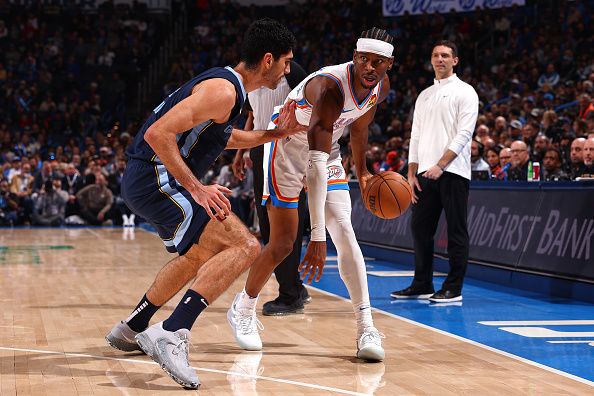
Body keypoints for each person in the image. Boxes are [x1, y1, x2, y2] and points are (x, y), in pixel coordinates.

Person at [104, 19, 302, 390]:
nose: (288, 70)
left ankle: (132, 328)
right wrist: (196, 188)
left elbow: (223, 139)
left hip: (147, 179)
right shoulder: (225, 91)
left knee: (197, 256)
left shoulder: (230, 91)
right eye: (287, 62)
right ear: (268, 59)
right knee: (244, 245)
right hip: (155, 177)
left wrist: (276, 134)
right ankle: (173, 330)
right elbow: (157, 133)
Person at [227, 27, 394, 362]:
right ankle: (243, 306)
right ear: (355, 57)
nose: (370, 67)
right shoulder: (329, 87)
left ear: (389, 65)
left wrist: (361, 171)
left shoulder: (380, 87)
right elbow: (313, 165)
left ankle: (366, 327)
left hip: (326, 152)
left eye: (379, 62)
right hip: (287, 147)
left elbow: (359, 128)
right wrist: (317, 236)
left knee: (346, 233)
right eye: (364, 59)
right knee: (283, 244)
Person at [391, 40, 478, 303]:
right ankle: (422, 283)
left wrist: (442, 164)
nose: (439, 59)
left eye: (445, 55)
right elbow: (415, 136)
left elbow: (465, 134)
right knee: (420, 229)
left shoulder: (466, 92)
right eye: (435, 55)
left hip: (453, 172)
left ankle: (453, 287)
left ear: (455, 61)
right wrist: (411, 172)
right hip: (424, 174)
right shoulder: (424, 95)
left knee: (456, 231)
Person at [232, 60, 311, 316]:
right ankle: (295, 287)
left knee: (284, 230)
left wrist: (309, 162)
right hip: (260, 148)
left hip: (288, 150)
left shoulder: (293, 72)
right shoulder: (251, 77)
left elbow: (312, 111)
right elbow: (253, 115)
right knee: (267, 227)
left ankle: (290, 295)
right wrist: (242, 151)